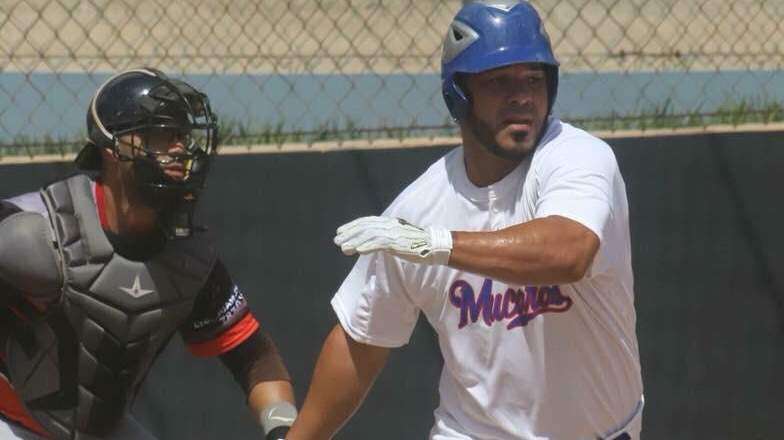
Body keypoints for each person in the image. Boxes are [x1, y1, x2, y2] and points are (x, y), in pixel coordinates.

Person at [288, 1, 643, 439]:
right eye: (499, 80)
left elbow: (569, 250)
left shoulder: (578, 158)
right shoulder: (418, 209)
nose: (522, 96)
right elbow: (361, 342)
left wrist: (437, 246)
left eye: (533, 78)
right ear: (458, 94)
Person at [0, 68, 296, 440]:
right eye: (158, 135)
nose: (178, 149)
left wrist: (282, 427)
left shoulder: (188, 259)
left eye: (180, 136)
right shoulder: (33, 230)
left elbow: (253, 357)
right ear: (112, 149)